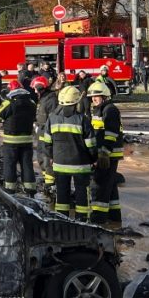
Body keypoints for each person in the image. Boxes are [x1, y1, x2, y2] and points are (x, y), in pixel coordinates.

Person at [42, 86, 96, 221]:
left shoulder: (52, 118)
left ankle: (62, 220)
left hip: (59, 164)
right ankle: (82, 220)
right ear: (76, 102)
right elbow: (91, 144)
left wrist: (52, 157)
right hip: (80, 165)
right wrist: (94, 158)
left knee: (61, 194)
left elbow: (46, 142)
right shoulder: (82, 119)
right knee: (82, 193)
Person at [87, 82, 123, 224]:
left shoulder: (110, 110)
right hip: (106, 153)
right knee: (110, 185)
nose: (93, 99)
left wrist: (104, 152)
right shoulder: (100, 109)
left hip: (108, 154)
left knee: (99, 185)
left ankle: (98, 218)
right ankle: (114, 216)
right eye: (92, 97)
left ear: (105, 96)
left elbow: (110, 134)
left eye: (96, 96)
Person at [0, 81, 38, 195]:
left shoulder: (9, 103)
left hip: (11, 140)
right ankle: (30, 189)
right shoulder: (31, 102)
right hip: (27, 139)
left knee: (10, 164)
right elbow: (35, 117)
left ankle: (10, 189)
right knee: (27, 164)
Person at [33, 75, 59, 192]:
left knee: (47, 156)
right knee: (40, 155)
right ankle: (46, 178)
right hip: (41, 130)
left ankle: (50, 182)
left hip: (47, 132)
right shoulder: (43, 98)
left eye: (35, 88)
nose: (34, 91)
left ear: (40, 87)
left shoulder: (51, 99)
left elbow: (52, 118)